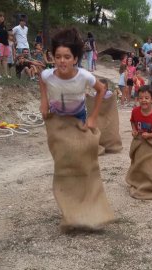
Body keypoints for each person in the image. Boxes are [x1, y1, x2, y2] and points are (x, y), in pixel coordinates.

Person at [39, 27, 114, 231]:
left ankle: (89, 205)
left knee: (83, 160)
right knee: (64, 162)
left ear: (75, 58)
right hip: (58, 120)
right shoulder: (48, 75)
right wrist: (44, 102)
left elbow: (101, 90)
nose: (62, 61)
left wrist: (93, 116)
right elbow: (42, 81)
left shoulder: (84, 76)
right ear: (52, 57)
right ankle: (70, 207)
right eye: (58, 57)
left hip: (79, 117)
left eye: (67, 57)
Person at [126, 85, 152, 200]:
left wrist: (150, 135)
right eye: (140, 98)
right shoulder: (135, 111)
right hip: (139, 143)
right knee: (138, 162)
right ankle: (138, 180)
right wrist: (134, 130)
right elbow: (133, 122)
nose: (143, 100)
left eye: (146, 98)